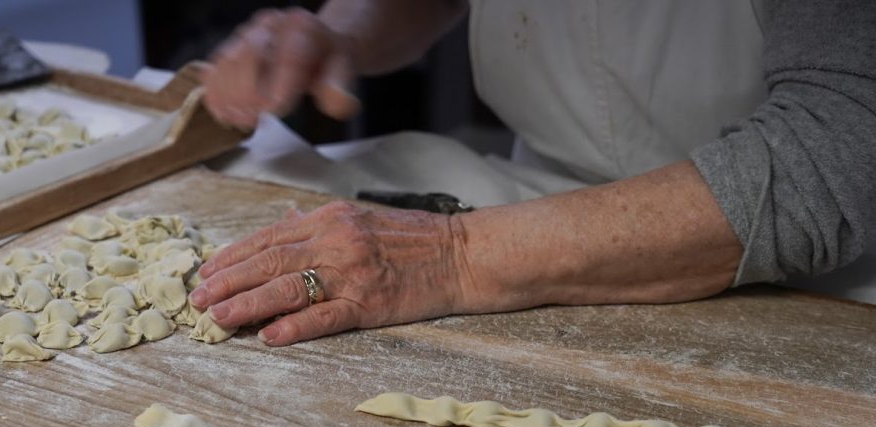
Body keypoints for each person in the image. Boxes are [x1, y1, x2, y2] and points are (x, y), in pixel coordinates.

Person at [191, 0, 876, 346]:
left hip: (816, 262)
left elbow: (843, 143)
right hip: (540, 200)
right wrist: (340, 30)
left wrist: (449, 258)